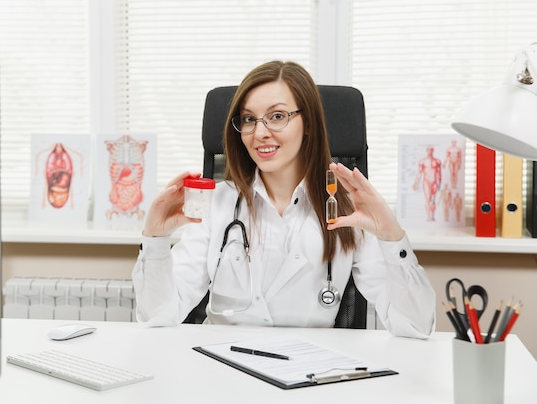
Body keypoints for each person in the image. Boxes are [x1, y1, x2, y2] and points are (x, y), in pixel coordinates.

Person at [132, 61, 435, 339]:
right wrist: (155, 239)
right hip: (220, 370)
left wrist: (393, 238)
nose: (259, 132)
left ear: (309, 126)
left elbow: (416, 326)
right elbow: (157, 316)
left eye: (277, 116)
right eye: (248, 119)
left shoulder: (348, 211)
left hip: (309, 376)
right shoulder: (217, 203)